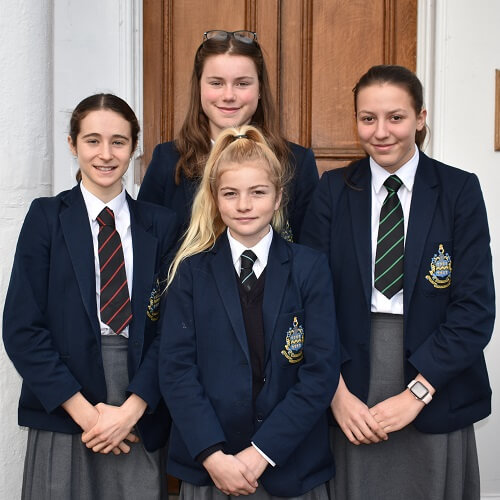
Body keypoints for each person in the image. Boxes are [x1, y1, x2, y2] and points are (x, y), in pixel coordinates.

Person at [301, 64, 495, 500]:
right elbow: (307, 300)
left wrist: (417, 394)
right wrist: (335, 394)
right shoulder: (332, 190)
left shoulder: (459, 190)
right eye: (368, 118)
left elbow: (475, 308)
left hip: (436, 375)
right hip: (348, 375)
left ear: (421, 118)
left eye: (396, 117)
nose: (381, 132)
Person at [3, 94, 178, 500]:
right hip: (65, 403)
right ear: (72, 144)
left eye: (118, 141)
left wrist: (131, 410)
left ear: (134, 148)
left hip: (139, 401)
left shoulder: (162, 224)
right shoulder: (45, 218)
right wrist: (88, 415)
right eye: (92, 140)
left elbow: (174, 329)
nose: (105, 154)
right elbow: (22, 328)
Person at [159, 125, 340, 499]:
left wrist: (262, 452)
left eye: (258, 193)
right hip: (211, 469)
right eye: (231, 193)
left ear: (278, 198)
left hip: (290, 466)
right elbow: (176, 372)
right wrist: (212, 454)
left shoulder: (309, 268)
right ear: (214, 198)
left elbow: (320, 373)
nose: (244, 205)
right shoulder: (189, 272)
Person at [138, 29, 318, 243]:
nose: (229, 95)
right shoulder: (167, 160)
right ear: (199, 87)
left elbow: (310, 253)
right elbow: (146, 246)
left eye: (242, 83)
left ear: (260, 88)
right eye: (216, 83)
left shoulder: (296, 162)